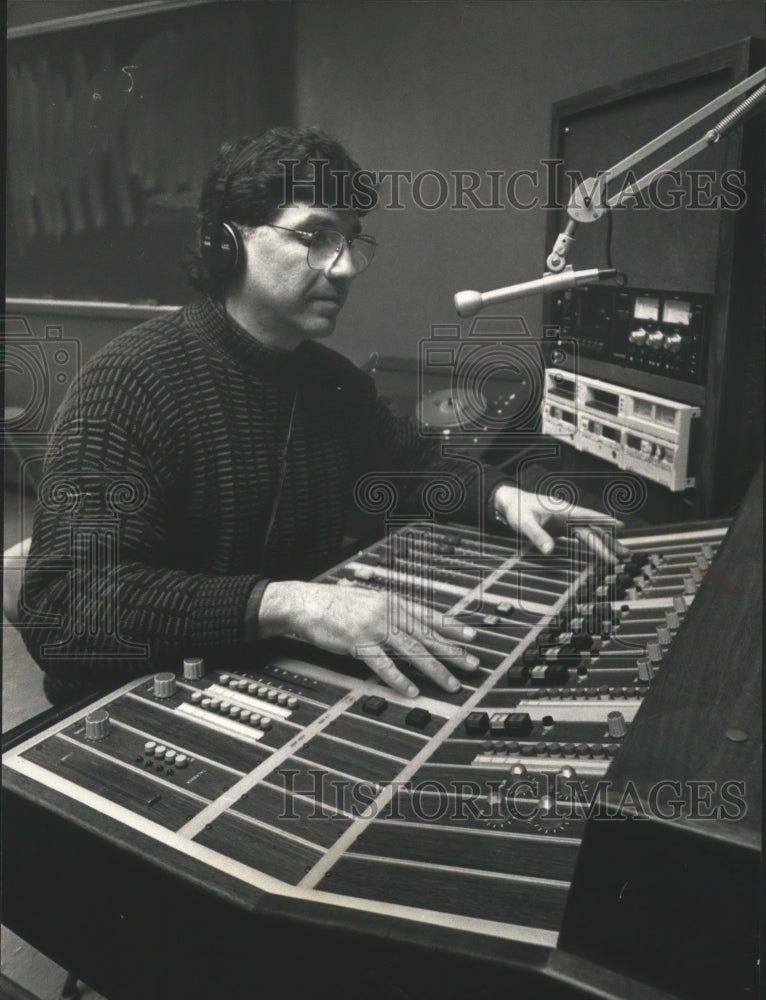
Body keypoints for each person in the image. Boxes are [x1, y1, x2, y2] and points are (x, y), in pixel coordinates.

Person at [19, 127, 623, 706]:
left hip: (264, 673)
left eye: (351, 242)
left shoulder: (331, 381)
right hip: (137, 699)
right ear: (226, 243)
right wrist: (296, 605)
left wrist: (503, 498)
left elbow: (415, 463)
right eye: (315, 237)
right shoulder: (130, 381)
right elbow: (64, 606)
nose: (343, 270)